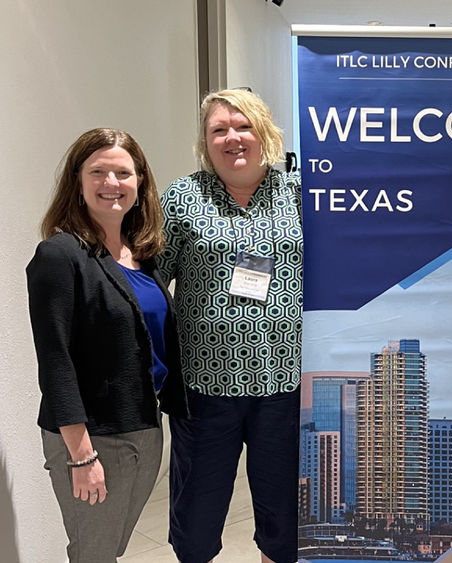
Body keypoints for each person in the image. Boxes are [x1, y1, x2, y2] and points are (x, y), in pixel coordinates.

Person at [26, 128, 189, 562]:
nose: (111, 183)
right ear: (77, 182)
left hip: (143, 424)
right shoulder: (60, 256)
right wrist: (81, 456)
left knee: (109, 548)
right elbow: (55, 359)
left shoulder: (141, 256)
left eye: (122, 172)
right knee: (94, 553)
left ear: (140, 182)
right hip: (93, 437)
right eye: (98, 172)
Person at [159, 89, 302, 563]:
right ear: (205, 141)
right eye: (219, 130)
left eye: (243, 127)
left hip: (282, 383)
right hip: (203, 386)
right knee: (197, 513)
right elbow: (153, 280)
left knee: (283, 512)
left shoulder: (297, 196)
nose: (232, 138)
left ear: (265, 133)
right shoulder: (181, 199)